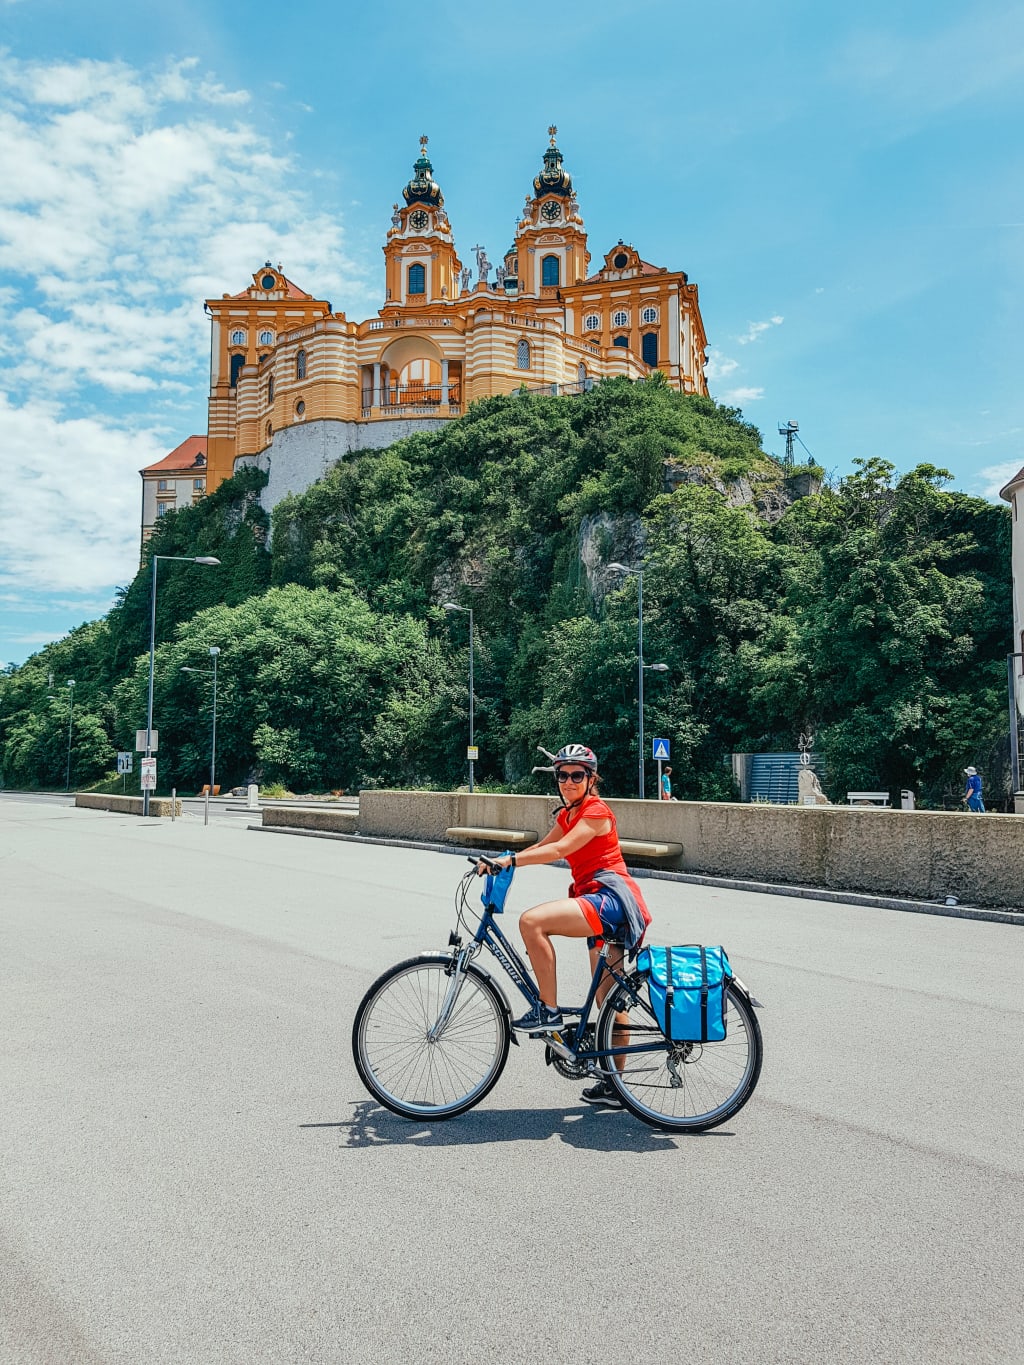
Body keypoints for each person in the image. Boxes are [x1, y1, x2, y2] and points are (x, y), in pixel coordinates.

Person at [479, 743, 651, 1107]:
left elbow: (560, 851)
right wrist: (502, 859)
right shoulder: (568, 814)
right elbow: (544, 846)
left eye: (577, 775)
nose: (569, 781)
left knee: (532, 922)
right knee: (608, 999)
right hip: (597, 901)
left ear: (591, 779)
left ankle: (549, 1011)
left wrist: (511, 863)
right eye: (563, 775)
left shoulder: (596, 812)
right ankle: (614, 1086)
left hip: (610, 899)